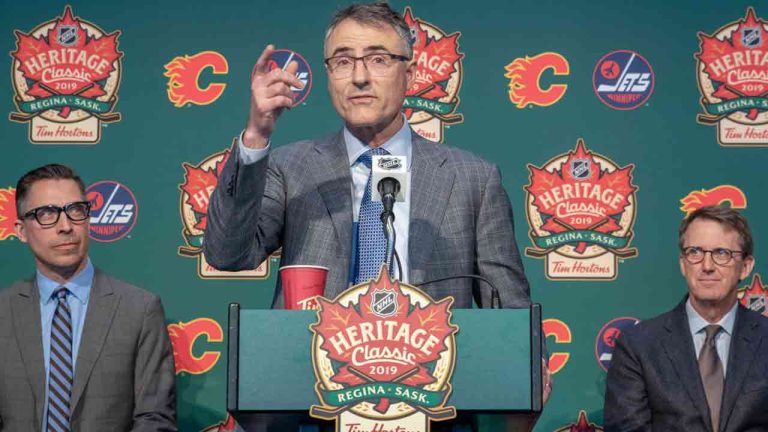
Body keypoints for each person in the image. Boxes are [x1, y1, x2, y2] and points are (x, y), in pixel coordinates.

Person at [0, 164, 177, 431]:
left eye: (76, 211)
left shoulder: (139, 310)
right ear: (21, 230)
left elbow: (154, 418)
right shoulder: (4, 311)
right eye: (47, 213)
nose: (66, 226)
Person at [604, 205, 768, 431]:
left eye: (722, 253)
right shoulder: (638, 346)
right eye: (695, 252)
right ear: (683, 264)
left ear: (745, 267)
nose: (707, 266)